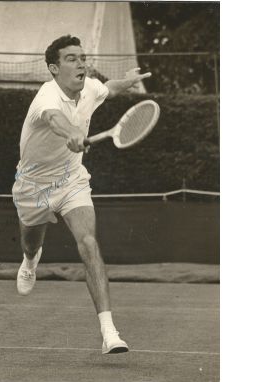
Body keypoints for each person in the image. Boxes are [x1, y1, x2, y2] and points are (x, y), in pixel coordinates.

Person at [12, 35, 151, 354]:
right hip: (34, 185)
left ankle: (109, 332)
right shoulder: (47, 97)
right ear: (53, 68)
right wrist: (73, 132)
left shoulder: (89, 86)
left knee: (89, 243)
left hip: (73, 179)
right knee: (31, 241)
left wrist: (127, 82)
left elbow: (108, 88)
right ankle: (30, 260)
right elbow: (55, 120)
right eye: (72, 58)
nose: (82, 63)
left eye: (83, 57)